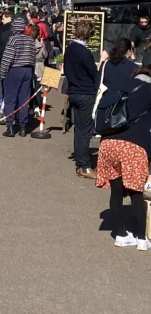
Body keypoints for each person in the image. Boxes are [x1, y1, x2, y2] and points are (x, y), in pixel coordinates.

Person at [96, 66, 151, 250]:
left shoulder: (122, 88)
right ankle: (142, 238)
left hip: (108, 144)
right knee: (136, 193)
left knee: (116, 191)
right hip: (133, 146)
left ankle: (120, 235)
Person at [64, 21, 98, 179]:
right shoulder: (84, 52)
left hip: (74, 91)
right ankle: (84, 166)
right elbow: (93, 73)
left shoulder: (70, 49)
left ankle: (80, 163)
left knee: (79, 129)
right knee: (85, 130)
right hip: (85, 93)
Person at [0, 17, 36, 137]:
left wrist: (3, 73)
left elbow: (7, 59)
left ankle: (10, 126)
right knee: (24, 99)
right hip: (28, 70)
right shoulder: (30, 40)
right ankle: (23, 127)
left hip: (15, 70)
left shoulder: (13, 39)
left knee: (10, 99)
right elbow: (33, 58)